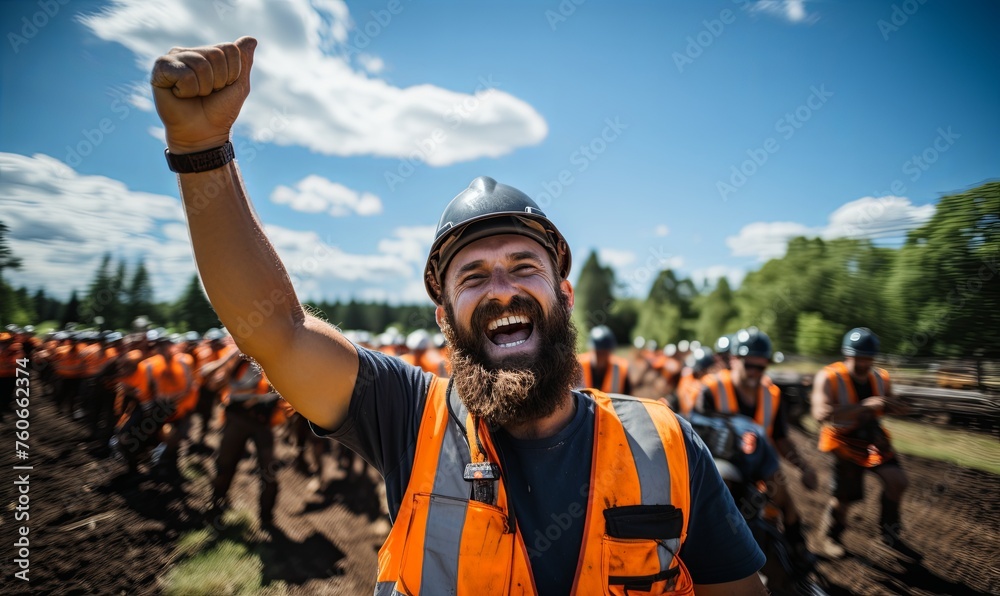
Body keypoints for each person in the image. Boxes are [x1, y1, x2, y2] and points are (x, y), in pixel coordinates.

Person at [150, 36, 767, 594]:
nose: (502, 289)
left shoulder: (665, 446)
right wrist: (201, 149)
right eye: (471, 276)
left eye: (524, 266)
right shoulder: (410, 418)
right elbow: (275, 330)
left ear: (566, 294)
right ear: (444, 318)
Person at [695, 328, 817, 567]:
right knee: (715, 510)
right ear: (734, 360)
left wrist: (803, 467)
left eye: (761, 367)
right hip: (719, 467)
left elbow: (781, 438)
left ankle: (797, 547)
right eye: (749, 365)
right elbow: (696, 436)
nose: (754, 372)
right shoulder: (710, 390)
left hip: (759, 466)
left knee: (784, 497)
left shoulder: (772, 395)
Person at [811, 328, 916, 560]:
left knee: (898, 482)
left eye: (867, 358)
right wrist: (865, 406)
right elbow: (820, 414)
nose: (862, 362)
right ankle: (831, 536)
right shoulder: (829, 377)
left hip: (872, 438)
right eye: (857, 357)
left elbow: (884, 403)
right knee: (844, 498)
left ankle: (889, 534)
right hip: (843, 442)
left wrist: (898, 407)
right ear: (847, 355)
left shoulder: (880, 377)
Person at [575, 325, 632, 394]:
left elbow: (627, 397)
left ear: (610, 352)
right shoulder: (577, 366)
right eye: (598, 352)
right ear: (591, 350)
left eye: (604, 353)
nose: (601, 357)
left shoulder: (620, 369)